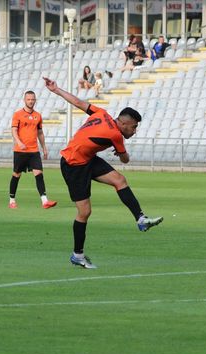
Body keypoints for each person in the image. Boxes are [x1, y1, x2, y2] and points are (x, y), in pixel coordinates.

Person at [43, 77, 163, 269]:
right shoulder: (115, 135)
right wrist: (120, 151)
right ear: (125, 124)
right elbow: (125, 160)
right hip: (73, 164)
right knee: (85, 212)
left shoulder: (101, 113)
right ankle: (77, 255)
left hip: (87, 158)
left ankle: (141, 219)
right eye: (134, 127)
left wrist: (57, 90)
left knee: (119, 180)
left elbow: (78, 102)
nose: (134, 131)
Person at [9, 90, 57, 209]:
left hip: (34, 151)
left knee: (39, 173)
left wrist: (44, 147)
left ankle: (45, 201)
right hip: (20, 151)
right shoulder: (17, 114)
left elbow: (40, 133)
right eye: (28, 99)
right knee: (16, 175)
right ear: (24, 100)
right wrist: (19, 142)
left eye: (32, 99)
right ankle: (12, 200)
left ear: (35, 100)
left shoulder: (38, 116)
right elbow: (14, 130)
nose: (31, 101)